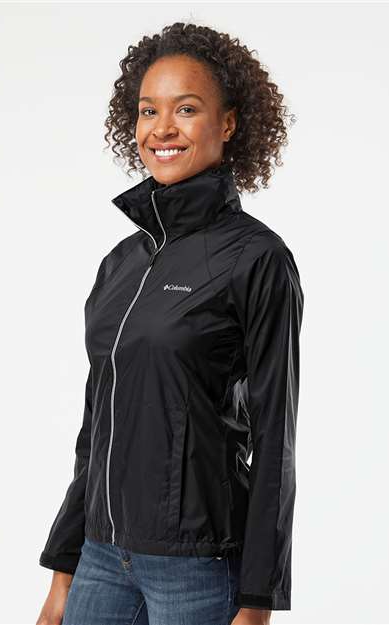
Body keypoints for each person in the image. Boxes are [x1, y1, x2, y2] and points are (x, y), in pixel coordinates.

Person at [36, 21, 304, 625]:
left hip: (197, 568)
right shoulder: (121, 263)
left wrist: (258, 600)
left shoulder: (257, 258)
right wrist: (63, 571)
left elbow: (276, 443)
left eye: (186, 109)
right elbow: (95, 431)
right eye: (148, 110)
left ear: (228, 124)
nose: (162, 128)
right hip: (101, 558)